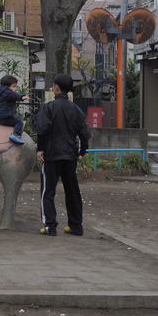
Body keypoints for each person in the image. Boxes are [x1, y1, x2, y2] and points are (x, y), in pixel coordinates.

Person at [34, 74, 91, 237]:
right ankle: (76, 226)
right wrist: (82, 152)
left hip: (52, 154)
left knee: (48, 191)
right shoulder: (76, 109)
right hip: (70, 155)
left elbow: (42, 129)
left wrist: (41, 149)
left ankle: (50, 226)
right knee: (72, 190)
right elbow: (84, 133)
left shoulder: (48, 107)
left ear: (56, 87)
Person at [0, 75, 29, 144]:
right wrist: (21, 97)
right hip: (4, 117)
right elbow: (14, 95)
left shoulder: (2, 92)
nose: (15, 89)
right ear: (6, 86)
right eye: (14, 86)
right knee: (19, 122)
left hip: (1, 116)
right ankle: (16, 136)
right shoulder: (7, 92)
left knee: (15, 120)